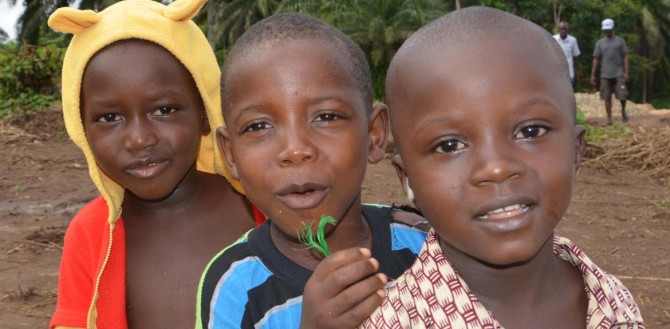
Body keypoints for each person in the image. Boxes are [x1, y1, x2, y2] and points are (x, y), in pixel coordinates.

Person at [360, 7, 645, 329]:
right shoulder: (393, 322)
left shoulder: (614, 299)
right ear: (408, 180)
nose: (496, 168)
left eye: (530, 131)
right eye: (449, 146)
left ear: (576, 150)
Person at [196, 13, 428, 329]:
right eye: (259, 126)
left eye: (327, 117)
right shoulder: (237, 286)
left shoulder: (425, 246)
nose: (294, 149)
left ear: (373, 134)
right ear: (230, 154)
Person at [47, 0, 262, 327]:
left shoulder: (261, 207)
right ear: (82, 129)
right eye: (109, 117)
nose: (138, 139)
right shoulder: (90, 234)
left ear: (204, 112)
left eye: (163, 110)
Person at [591, 18, 630, 125]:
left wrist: (626, 72)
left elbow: (625, 56)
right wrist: (593, 75)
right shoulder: (600, 43)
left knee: (622, 95)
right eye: (605, 30)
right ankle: (609, 119)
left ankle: (623, 111)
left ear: (612, 29)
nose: (607, 32)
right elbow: (596, 59)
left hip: (618, 72)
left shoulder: (620, 41)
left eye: (608, 30)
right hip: (605, 74)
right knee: (606, 97)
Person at [554, 21, 582, 89]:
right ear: (558, 29)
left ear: (568, 30)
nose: (563, 31)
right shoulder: (553, 39)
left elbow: (576, 57)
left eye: (565, 29)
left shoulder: (572, 40)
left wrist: (578, 71)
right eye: (561, 29)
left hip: (569, 74)